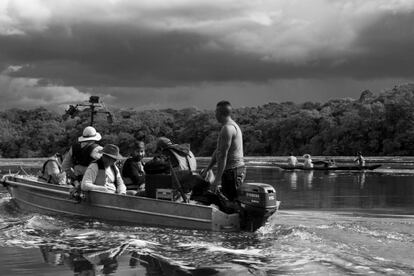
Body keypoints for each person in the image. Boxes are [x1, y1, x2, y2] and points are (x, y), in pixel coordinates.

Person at [202, 101, 245, 202]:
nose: (215, 114)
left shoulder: (227, 129)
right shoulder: (232, 126)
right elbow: (218, 151)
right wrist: (208, 169)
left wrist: (217, 181)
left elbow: (222, 156)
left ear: (219, 112)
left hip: (232, 171)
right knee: (228, 201)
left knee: (231, 202)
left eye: (216, 112)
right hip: (235, 170)